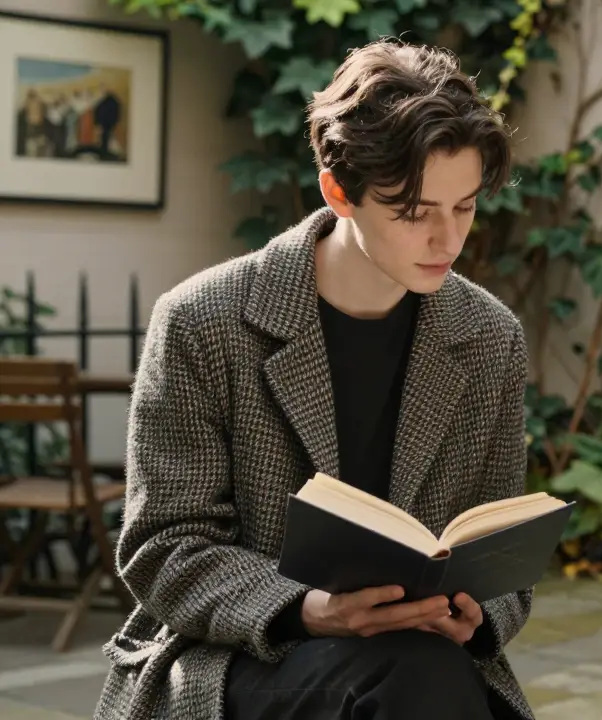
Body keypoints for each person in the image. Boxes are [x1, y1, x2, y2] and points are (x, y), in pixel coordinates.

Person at [95, 41, 535, 720]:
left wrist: (476, 615)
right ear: (339, 191)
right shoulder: (202, 322)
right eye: (416, 213)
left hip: (425, 658)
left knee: (423, 674)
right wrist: (309, 608)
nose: (448, 241)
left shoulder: (488, 339)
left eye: (466, 207)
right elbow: (163, 549)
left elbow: (502, 556)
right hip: (239, 655)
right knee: (415, 683)